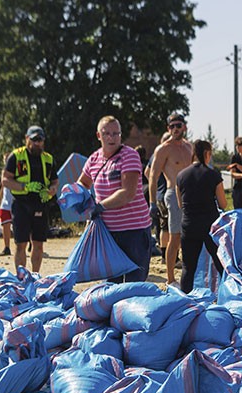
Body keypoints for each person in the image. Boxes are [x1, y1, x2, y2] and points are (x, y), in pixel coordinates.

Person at [79, 116, 153, 283]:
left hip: (134, 232)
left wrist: (99, 207)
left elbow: (128, 193)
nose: (111, 138)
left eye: (116, 133)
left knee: (135, 285)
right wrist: (76, 195)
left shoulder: (130, 156)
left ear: (121, 135)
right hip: (108, 234)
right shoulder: (94, 159)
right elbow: (83, 182)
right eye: (106, 134)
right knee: (110, 286)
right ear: (99, 135)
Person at [1, 125, 59, 273]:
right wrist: (24, 186)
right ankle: (21, 278)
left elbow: (55, 181)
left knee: (38, 243)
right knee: (21, 243)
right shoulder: (16, 156)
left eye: (40, 140)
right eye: (34, 140)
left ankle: (35, 276)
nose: (37, 143)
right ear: (27, 139)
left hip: (41, 204)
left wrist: (51, 191)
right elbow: (5, 180)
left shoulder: (48, 159)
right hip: (21, 204)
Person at [174, 139, 227, 293]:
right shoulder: (213, 175)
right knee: (220, 264)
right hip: (210, 226)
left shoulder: (181, 175)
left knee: (188, 268)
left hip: (189, 225)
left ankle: (185, 302)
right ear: (207, 154)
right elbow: (223, 204)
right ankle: (227, 296)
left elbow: (179, 204)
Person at [148, 113, 194, 285]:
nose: (175, 129)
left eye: (178, 125)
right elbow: (152, 177)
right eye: (172, 126)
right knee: (175, 237)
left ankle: (190, 275)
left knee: (191, 236)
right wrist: (152, 203)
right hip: (173, 195)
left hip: (192, 195)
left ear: (184, 127)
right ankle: (170, 278)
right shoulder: (163, 149)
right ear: (168, 129)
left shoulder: (190, 147)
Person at [0, 185, 14, 257]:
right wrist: (1, 200)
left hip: (17, 202)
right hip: (5, 204)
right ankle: (7, 247)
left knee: (24, 225)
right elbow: (2, 187)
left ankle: (30, 243)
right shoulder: (5, 176)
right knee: (5, 225)